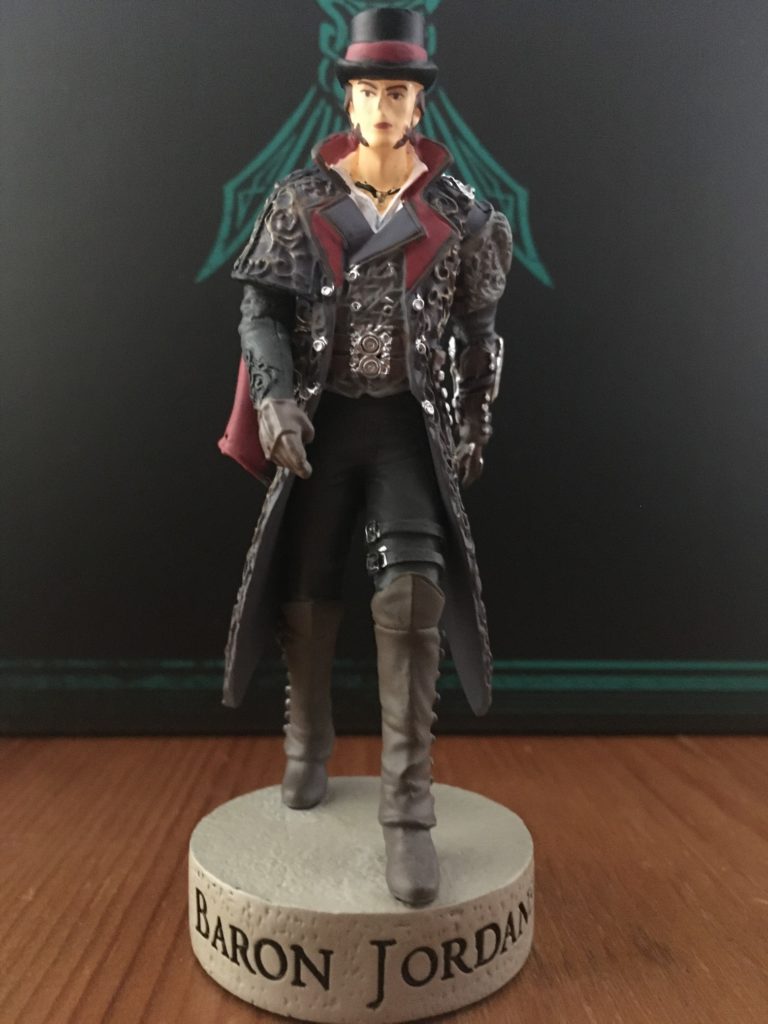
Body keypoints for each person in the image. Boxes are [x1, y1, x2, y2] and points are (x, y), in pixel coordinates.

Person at [218, 6, 512, 906]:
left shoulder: (461, 213)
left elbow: (479, 330)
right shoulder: (301, 199)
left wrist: (474, 419)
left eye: (398, 93)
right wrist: (274, 400)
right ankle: (307, 739)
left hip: (405, 429)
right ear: (347, 99)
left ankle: (407, 808)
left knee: (412, 594)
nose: (383, 108)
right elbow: (261, 312)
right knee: (308, 585)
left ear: (419, 107)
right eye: (370, 91)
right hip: (322, 419)